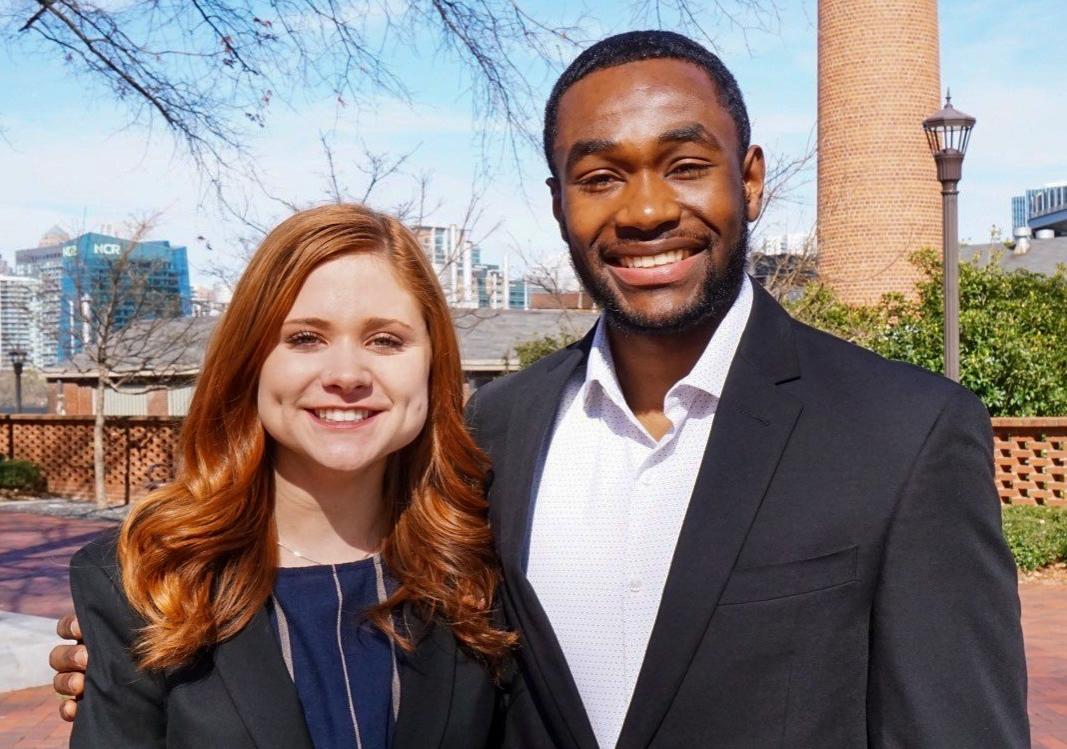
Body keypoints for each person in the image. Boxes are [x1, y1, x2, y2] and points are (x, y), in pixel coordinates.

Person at [55, 30, 1029, 748]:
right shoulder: (500, 436)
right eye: (598, 175)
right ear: (558, 202)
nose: (647, 209)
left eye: (685, 166)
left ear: (750, 178)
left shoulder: (901, 430)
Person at [62, 203, 517, 748]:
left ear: (431, 364)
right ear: (249, 360)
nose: (347, 375)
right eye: (305, 338)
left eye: (386, 340)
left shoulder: (483, 564)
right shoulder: (147, 579)